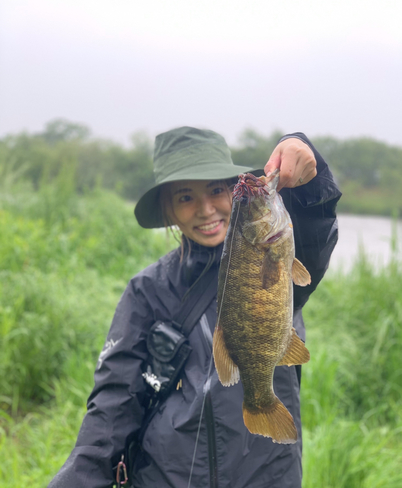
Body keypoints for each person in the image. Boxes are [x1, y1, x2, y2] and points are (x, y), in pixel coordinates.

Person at [48, 126, 341, 488]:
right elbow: (114, 402)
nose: (205, 209)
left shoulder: (278, 251)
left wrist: (304, 157)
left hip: (266, 476)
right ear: (168, 209)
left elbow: (315, 232)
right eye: (185, 196)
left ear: (234, 191)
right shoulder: (146, 291)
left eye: (216, 190)